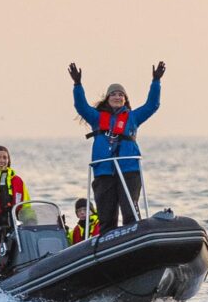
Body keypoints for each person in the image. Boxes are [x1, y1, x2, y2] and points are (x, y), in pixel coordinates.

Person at [68, 61, 165, 234]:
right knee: (106, 215)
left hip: (128, 168)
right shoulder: (97, 118)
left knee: (130, 211)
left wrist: (156, 81)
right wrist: (77, 84)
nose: (117, 97)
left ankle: (136, 240)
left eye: (121, 94)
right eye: (113, 94)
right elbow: (81, 106)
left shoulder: (133, 117)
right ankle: (106, 247)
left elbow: (152, 105)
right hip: (104, 170)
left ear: (125, 99)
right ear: (108, 98)